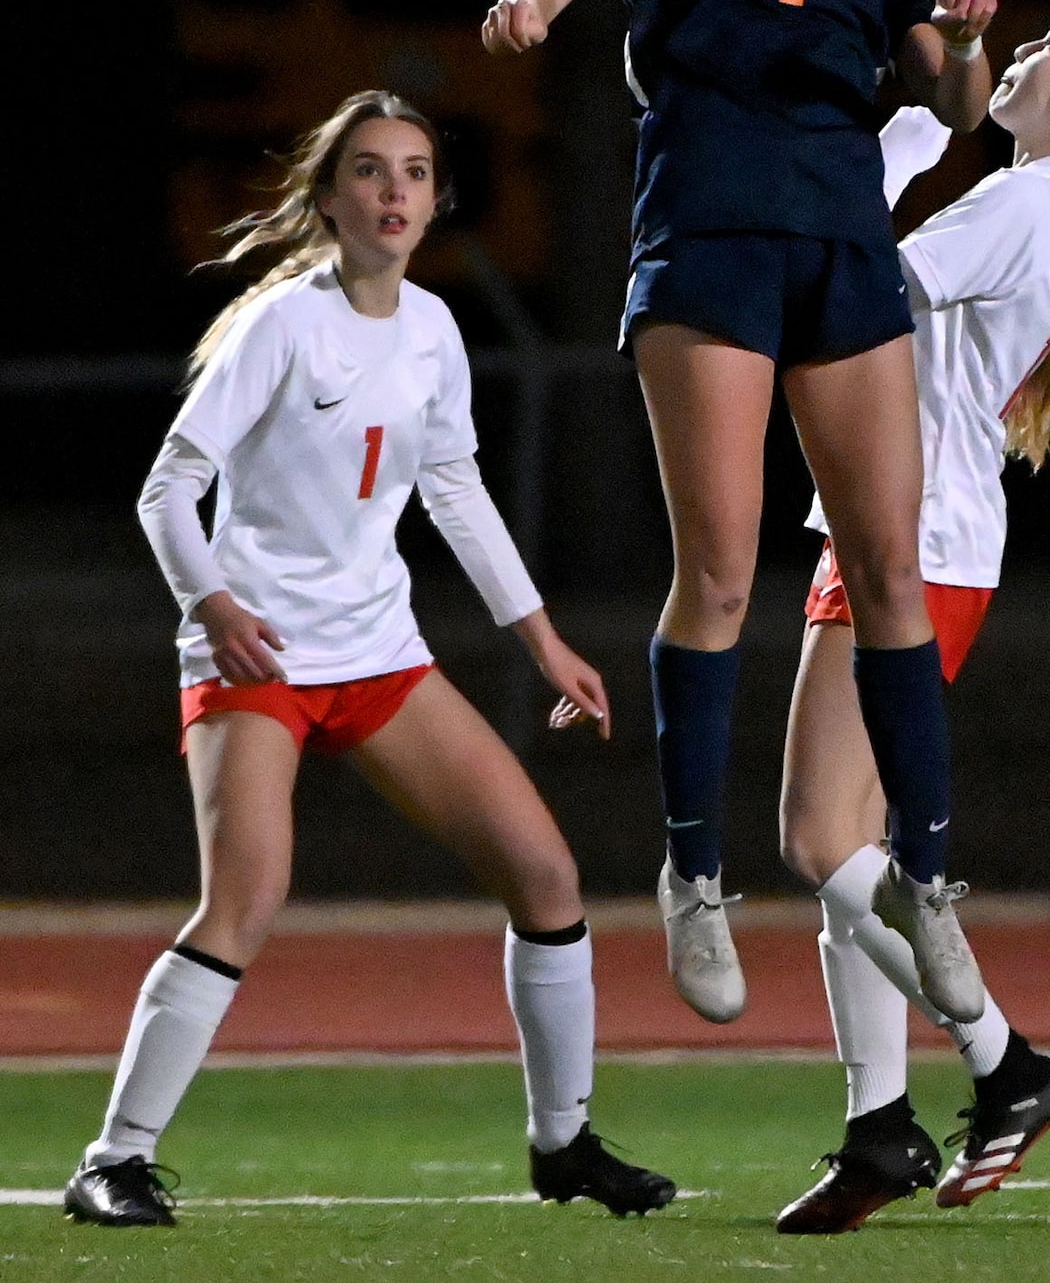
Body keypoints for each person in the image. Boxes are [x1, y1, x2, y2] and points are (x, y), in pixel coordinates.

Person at [63, 90, 676, 1230]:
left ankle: (563, 1145)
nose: (394, 191)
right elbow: (167, 491)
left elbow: (453, 490)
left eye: (415, 172)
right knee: (245, 899)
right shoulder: (280, 325)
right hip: (258, 655)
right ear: (329, 195)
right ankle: (114, 1158)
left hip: (379, 651)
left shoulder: (437, 328)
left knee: (545, 877)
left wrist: (541, 639)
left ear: (439, 199)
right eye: (369, 171)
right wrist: (217, 603)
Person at [483, 0, 997, 1027]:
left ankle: (930, 881)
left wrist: (969, 33)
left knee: (888, 565)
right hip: (710, 244)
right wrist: (532, 1)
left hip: (842, 251)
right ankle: (693, 871)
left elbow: (954, 99)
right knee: (718, 572)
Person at [775, 8, 1050, 1232]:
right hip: (908, 530)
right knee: (844, 856)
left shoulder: (1030, 205)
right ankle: (875, 1131)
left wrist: (899, 141)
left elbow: (854, 286)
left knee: (819, 841)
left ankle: (1007, 1063)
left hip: (914, 538)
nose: (1021, 56)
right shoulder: (1048, 207)